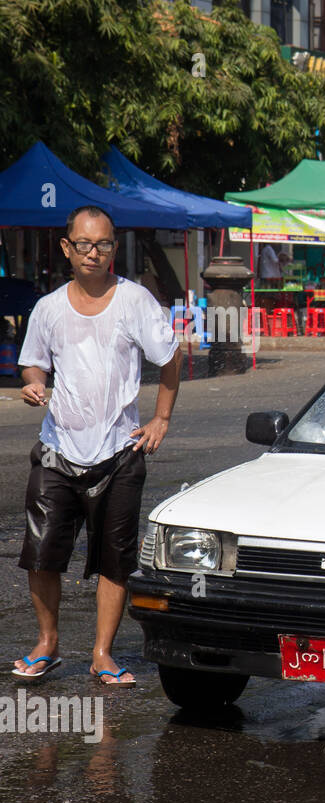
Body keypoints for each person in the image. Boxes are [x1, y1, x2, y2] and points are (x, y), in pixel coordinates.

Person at [14, 205, 180, 687]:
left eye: (103, 244)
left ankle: (103, 654)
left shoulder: (135, 302)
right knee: (41, 552)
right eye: (83, 244)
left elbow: (168, 360)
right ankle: (47, 643)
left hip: (119, 452)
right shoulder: (48, 308)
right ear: (67, 247)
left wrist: (161, 418)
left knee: (116, 556)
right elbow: (32, 364)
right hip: (57, 449)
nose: (93, 253)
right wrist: (33, 384)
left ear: (114, 247)